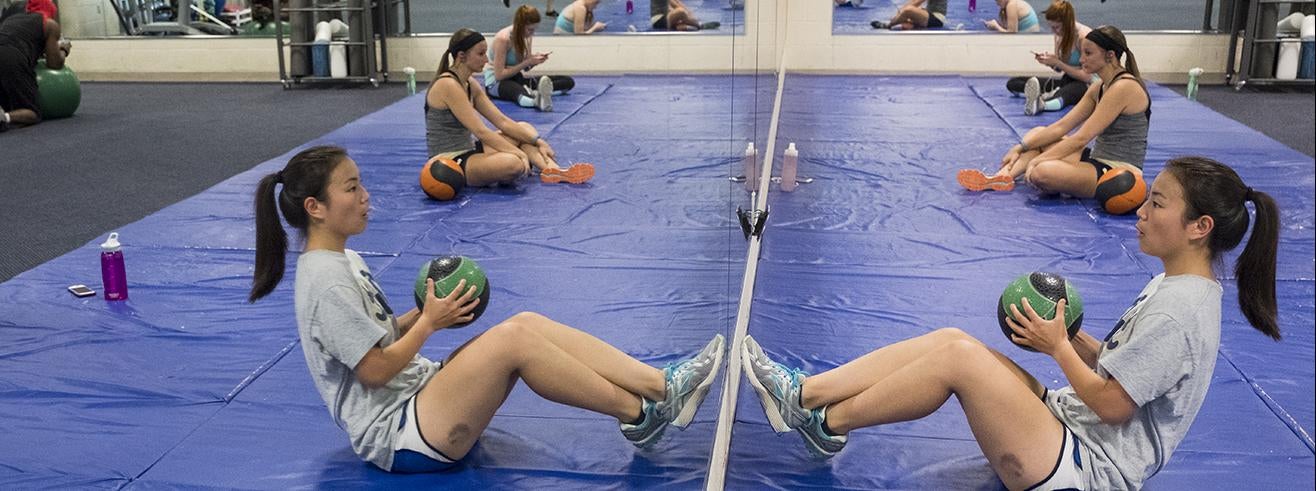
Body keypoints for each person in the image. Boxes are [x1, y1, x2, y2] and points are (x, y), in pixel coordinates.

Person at [744, 155, 1281, 489]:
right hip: (1071, 428)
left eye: (1156, 204)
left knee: (959, 359)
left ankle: (824, 422)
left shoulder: (1180, 311)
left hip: (1087, 469)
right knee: (952, 339)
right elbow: (1124, 374)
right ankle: (810, 394)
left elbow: (1115, 407)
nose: (1141, 211)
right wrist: (1073, 334)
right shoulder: (1174, 284)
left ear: (1199, 227)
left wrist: (1057, 348)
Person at [248, 145, 726, 473]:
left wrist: (422, 314)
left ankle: (662, 386)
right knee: (513, 341)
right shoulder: (325, 281)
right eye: (351, 188)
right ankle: (638, 415)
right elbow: (373, 370)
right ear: (315, 207)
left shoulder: (343, 259)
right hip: (398, 434)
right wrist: (430, 326)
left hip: (418, 397)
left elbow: (373, 338)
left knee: (526, 323)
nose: (366, 196)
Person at [957, 25, 1149, 195]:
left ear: (1110, 55)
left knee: (1042, 172)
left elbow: (1081, 138)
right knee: (1038, 134)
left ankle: (1041, 177)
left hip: (1117, 172)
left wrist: (1036, 162)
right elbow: (1061, 126)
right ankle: (1001, 177)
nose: (1082, 59)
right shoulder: (1098, 87)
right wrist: (1019, 147)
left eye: (1088, 53)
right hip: (1096, 159)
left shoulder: (1123, 87)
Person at [426, 28, 593, 186]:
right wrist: (518, 153)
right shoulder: (448, 84)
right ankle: (516, 166)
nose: (486, 60)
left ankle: (555, 171)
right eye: (481, 54)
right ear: (461, 56)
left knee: (524, 129)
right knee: (513, 164)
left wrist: (539, 141)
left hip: (470, 150)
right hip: (450, 161)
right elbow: (481, 131)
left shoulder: (469, 83)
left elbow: (502, 121)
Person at [1005, 1, 1092, 116]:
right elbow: (1059, 70)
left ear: (1068, 23)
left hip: (1087, 85)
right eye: (1051, 27)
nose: (1054, 31)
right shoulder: (1059, 36)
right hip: (1067, 79)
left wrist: (1058, 63)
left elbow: (1087, 77)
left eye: (1056, 27)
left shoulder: (1083, 37)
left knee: (1067, 93)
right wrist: (1050, 62)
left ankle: (1042, 104)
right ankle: (1042, 96)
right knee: (1013, 83)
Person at [485, 5, 575, 110]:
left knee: (567, 81)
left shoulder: (527, 37)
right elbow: (499, 75)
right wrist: (527, 62)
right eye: (530, 30)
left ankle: (537, 94)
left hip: (516, 78)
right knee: (518, 93)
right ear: (520, 26)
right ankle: (536, 101)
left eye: (534, 30)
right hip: (496, 84)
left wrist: (535, 61)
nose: (532, 33)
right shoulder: (503, 39)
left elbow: (526, 69)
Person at [0, 10, 67, 132]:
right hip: (12, 58)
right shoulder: (50, 24)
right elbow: (54, 64)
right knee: (33, 112)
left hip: (7, 54)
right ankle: (4, 117)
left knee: (6, 104)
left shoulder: (13, 19)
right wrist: (63, 50)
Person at [870, 0, 947, 31]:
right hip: (929, 15)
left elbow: (917, 2)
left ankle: (889, 25)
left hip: (937, 19)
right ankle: (909, 24)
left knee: (908, 10)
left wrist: (901, 12)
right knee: (905, 20)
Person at [650, 0, 718, 32]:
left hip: (664, 18)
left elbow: (677, 2)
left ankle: (682, 25)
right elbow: (675, 5)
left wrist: (689, 14)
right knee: (681, 12)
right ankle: (700, 26)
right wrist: (688, 15)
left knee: (681, 14)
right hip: (659, 20)